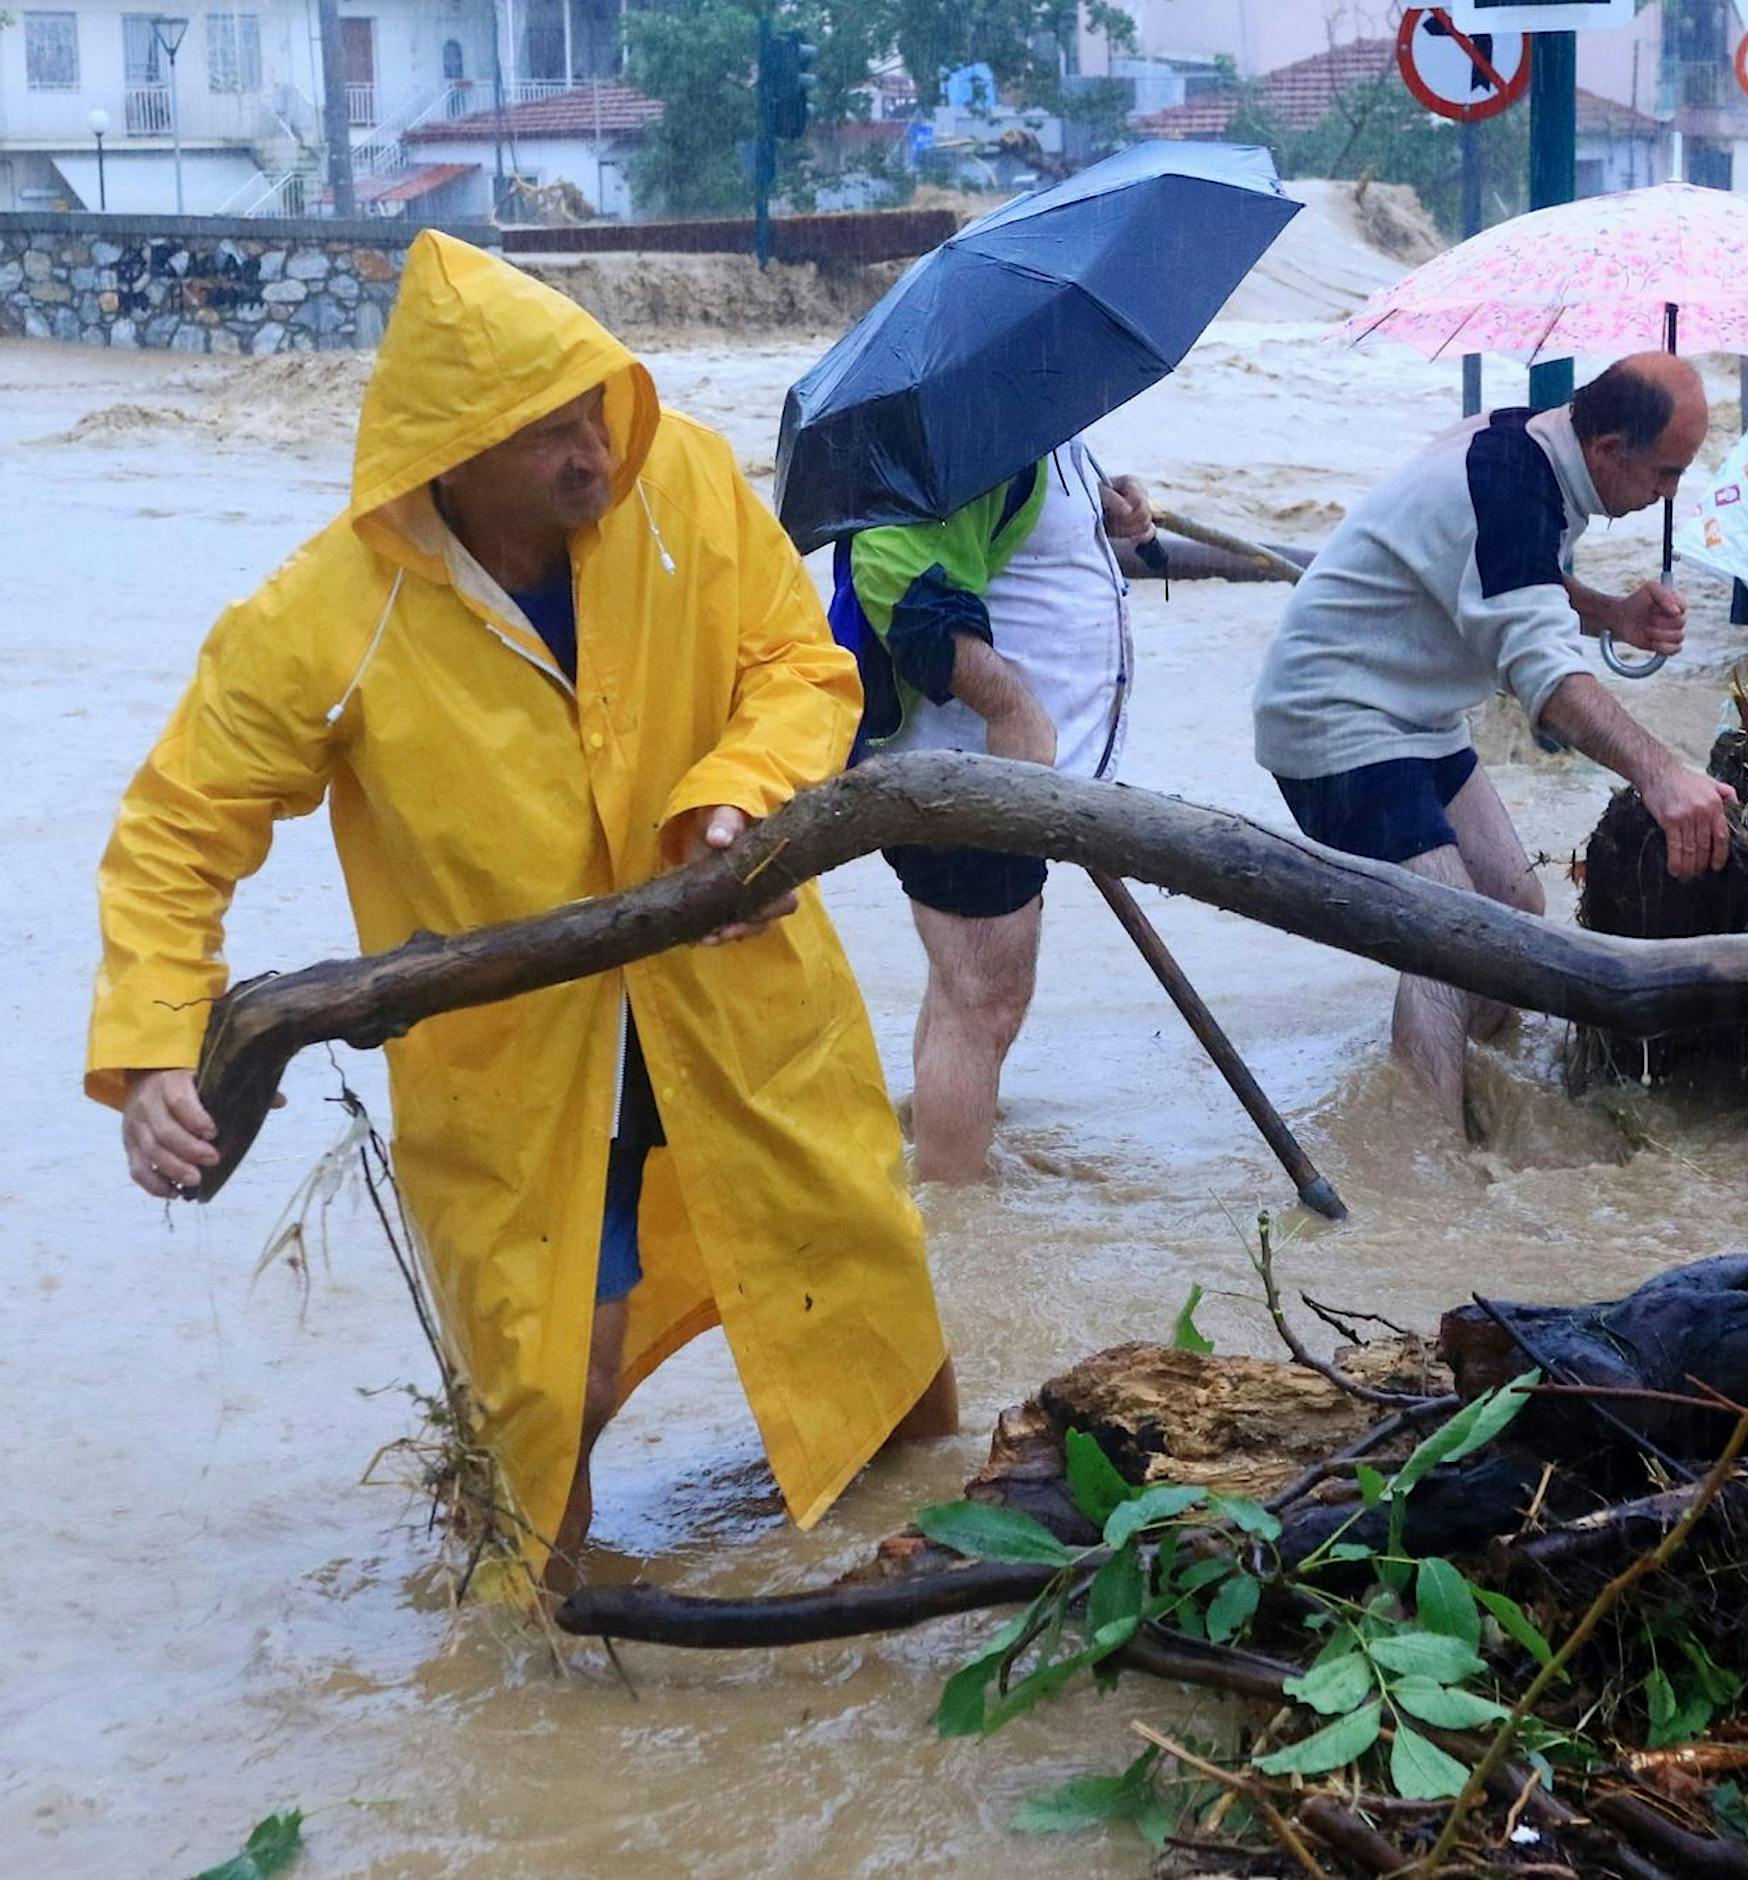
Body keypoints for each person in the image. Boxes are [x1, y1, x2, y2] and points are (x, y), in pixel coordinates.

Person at [88, 231, 955, 1597]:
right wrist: (153, 1049)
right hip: (522, 1057)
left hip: (738, 994)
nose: (594, 454)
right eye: (550, 434)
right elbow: (177, 831)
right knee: (557, 1369)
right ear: (450, 452)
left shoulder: (679, 484)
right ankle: (525, 1656)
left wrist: (741, 801)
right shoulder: (330, 614)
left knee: (868, 1297)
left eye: (596, 411)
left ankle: (920, 1569)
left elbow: (800, 660)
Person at [1253, 352, 1736, 1130]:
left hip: (1415, 716)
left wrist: (1610, 612)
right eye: (1667, 473)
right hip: (1334, 718)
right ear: (1609, 450)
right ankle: (1426, 1173)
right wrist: (1660, 772)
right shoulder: (1510, 483)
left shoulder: (1528, 443)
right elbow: (1547, 683)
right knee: (1445, 938)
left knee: (1513, 905)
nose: (1671, 493)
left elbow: (1510, 572)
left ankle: (1472, 1098)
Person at [845, 438, 1155, 1181]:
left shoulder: (1036, 426)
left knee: (966, 989)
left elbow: (1005, 537)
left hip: (1010, 776)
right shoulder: (969, 437)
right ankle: (957, 1225)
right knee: (983, 1001)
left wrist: (1097, 503)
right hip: (969, 776)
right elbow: (893, 571)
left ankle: (931, 1157)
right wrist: (1008, 702)